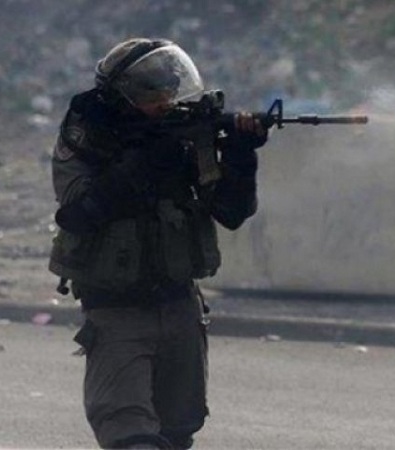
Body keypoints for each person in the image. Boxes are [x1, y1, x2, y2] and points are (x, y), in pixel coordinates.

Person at [48, 38, 267, 449]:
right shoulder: (89, 132)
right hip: (117, 307)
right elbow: (77, 211)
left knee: (178, 429)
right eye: (153, 97)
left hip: (178, 300)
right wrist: (143, 165)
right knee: (129, 431)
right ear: (123, 99)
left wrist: (241, 157)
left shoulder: (182, 134)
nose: (166, 104)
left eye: (169, 93)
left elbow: (230, 211)